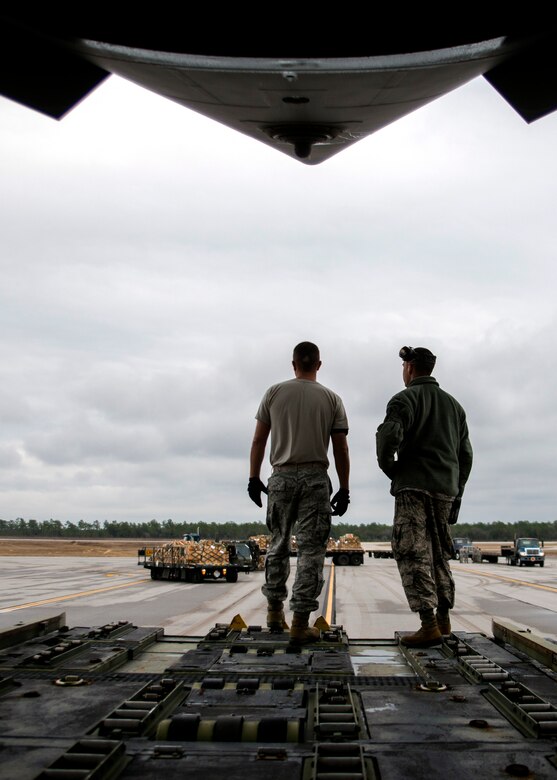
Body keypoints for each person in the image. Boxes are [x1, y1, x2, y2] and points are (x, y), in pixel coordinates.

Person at [248, 342, 350, 644]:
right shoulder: (332, 399)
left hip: (280, 478)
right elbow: (340, 447)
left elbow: (258, 441)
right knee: (310, 551)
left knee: (278, 545)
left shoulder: (273, 393)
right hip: (315, 478)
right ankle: (300, 622)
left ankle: (273, 612)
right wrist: (344, 488)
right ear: (318, 365)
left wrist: (254, 478)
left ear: (293, 364)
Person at [376, 346, 473, 647]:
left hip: (414, 488)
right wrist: (456, 493)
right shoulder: (454, 406)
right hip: (445, 489)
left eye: (404, 365)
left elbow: (387, 439)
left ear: (409, 367)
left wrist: (392, 470)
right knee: (438, 553)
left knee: (412, 550)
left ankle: (428, 623)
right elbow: (465, 454)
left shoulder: (404, 399)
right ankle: (443, 620)